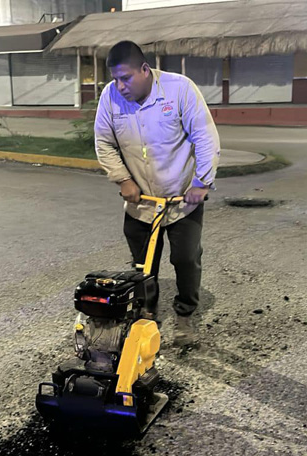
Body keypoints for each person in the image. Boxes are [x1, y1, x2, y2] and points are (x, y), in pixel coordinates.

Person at [94, 40, 221, 346]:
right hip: (142, 205)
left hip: (181, 201)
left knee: (186, 258)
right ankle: (145, 316)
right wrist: (123, 179)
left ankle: (185, 316)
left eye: (126, 78)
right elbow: (104, 142)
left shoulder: (180, 90)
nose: (120, 86)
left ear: (145, 69)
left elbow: (205, 137)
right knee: (142, 265)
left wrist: (201, 183)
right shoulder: (110, 97)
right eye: (115, 79)